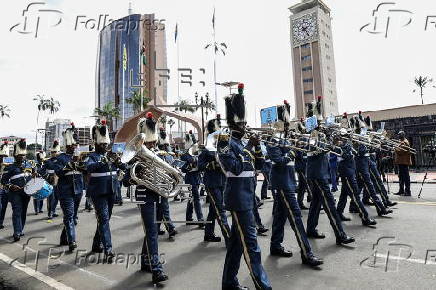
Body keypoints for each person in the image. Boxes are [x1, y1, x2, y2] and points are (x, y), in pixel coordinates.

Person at [218, 83, 272, 290]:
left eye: (246, 123)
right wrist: (249, 147)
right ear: (233, 125)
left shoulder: (243, 143)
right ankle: (263, 285)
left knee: (236, 246)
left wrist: (257, 147)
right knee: (252, 247)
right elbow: (235, 168)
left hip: (248, 198)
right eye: (242, 124)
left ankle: (229, 283)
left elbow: (260, 167)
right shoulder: (225, 142)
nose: (246, 127)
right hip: (238, 200)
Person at [267, 100, 323, 267]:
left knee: (279, 216)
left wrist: (301, 142)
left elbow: (305, 147)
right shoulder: (273, 139)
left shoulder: (286, 138)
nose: (287, 126)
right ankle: (307, 254)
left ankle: (275, 245)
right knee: (296, 217)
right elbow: (278, 160)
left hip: (288, 182)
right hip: (282, 183)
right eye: (285, 123)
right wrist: (292, 150)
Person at [122, 112, 169, 283]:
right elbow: (126, 181)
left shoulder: (162, 153)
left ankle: (145, 262)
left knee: (153, 231)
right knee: (151, 231)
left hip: (160, 194)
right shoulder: (135, 156)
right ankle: (157, 270)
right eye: (149, 141)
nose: (152, 143)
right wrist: (136, 174)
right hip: (145, 195)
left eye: (153, 140)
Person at [305, 98, 355, 245]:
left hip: (319, 173)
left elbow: (327, 149)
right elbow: (318, 149)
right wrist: (331, 142)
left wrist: (333, 140)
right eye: (320, 123)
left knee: (315, 203)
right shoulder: (312, 135)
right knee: (330, 204)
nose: (322, 125)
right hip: (317, 174)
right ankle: (340, 234)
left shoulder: (319, 134)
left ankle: (311, 229)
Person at [86, 120, 124, 263]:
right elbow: (89, 168)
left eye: (106, 143)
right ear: (96, 143)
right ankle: (108, 249)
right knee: (103, 219)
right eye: (102, 143)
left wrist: (119, 163)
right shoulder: (92, 156)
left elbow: (122, 168)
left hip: (111, 190)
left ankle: (97, 244)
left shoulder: (111, 155)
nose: (105, 146)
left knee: (105, 219)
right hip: (98, 192)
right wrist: (103, 161)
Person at [199, 118, 230, 244]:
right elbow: (200, 165)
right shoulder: (207, 148)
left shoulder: (223, 146)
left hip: (222, 181)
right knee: (220, 209)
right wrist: (212, 164)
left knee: (214, 210)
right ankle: (229, 238)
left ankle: (208, 234)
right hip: (211, 183)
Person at [55, 126, 84, 252]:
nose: (75, 146)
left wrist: (80, 163)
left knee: (72, 217)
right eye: (72, 144)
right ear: (67, 145)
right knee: (69, 216)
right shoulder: (61, 158)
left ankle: (63, 238)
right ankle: (72, 241)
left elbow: (86, 170)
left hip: (78, 190)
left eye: (75, 144)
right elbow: (58, 172)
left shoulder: (80, 157)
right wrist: (70, 165)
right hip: (66, 191)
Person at [1, 139, 32, 242]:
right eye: (20, 155)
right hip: (15, 194)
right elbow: (3, 180)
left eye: (23, 155)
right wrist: (10, 186)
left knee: (23, 212)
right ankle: (17, 232)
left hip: (26, 192)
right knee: (17, 212)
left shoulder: (28, 165)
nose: (22, 157)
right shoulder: (9, 167)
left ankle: (20, 229)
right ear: (15, 155)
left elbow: (32, 178)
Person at [155, 127, 177, 238]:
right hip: (159, 183)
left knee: (160, 208)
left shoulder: (168, 155)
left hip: (166, 183)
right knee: (164, 207)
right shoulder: (156, 155)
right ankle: (171, 228)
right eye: (165, 145)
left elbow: (172, 167)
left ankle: (156, 229)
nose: (166, 147)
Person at [181, 131, 204, 226]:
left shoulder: (197, 152)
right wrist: (191, 164)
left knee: (192, 198)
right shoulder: (185, 154)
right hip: (190, 178)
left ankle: (188, 218)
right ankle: (200, 219)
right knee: (196, 198)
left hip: (197, 177)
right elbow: (183, 168)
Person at [41, 141, 61, 219]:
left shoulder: (61, 160)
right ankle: (50, 213)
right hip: (51, 180)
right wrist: (47, 176)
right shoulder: (47, 161)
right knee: (51, 198)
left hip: (60, 179)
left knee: (57, 197)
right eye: (52, 152)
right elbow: (42, 171)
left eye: (55, 152)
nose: (53, 153)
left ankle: (54, 210)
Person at [394, 131, 412, 196]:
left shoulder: (405, 142)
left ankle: (407, 191)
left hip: (404, 163)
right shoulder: (400, 141)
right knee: (401, 177)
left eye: (399, 135)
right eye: (398, 134)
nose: (398, 136)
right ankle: (401, 190)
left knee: (406, 177)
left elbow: (400, 151)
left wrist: (395, 148)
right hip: (400, 162)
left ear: (403, 135)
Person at [0, 141, 10, 229]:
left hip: (5, 188)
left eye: (4, 157)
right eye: (1, 156)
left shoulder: (8, 165)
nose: (3, 158)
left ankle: (0, 222)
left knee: (3, 207)